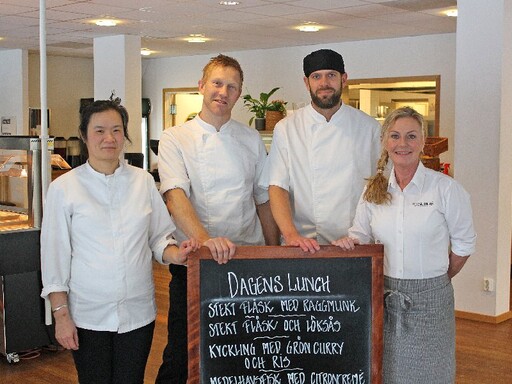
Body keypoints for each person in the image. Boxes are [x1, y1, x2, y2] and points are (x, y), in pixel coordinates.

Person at [40, 99, 199, 384]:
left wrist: (177, 254)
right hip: (88, 314)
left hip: (138, 313)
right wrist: (61, 313)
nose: (109, 138)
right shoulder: (64, 188)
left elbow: (160, 237)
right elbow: (54, 256)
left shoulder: (143, 181)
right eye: (99, 130)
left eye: (116, 130)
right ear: (84, 135)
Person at [156, 54, 280, 384]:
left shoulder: (251, 139)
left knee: (241, 351)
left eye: (232, 86)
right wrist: (206, 241)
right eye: (217, 83)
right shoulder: (174, 138)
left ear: (239, 94)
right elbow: (175, 197)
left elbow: (263, 199)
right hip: (194, 263)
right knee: (182, 353)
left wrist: (274, 251)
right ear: (201, 86)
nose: (223, 92)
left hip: (245, 262)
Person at [333, 106, 477, 383]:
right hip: (382, 296)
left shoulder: (445, 189)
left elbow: (464, 243)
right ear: (386, 142)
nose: (403, 144)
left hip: (432, 300)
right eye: (395, 136)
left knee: (432, 373)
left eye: (411, 136)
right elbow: (360, 234)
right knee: (387, 371)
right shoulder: (373, 189)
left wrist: (438, 280)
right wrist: (348, 242)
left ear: (423, 141)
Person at [261, 48, 381, 253]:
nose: (324, 83)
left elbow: (381, 186)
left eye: (331, 75)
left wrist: (365, 233)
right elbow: (277, 186)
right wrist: (291, 236)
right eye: (316, 76)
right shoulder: (288, 128)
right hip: (304, 244)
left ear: (344, 79)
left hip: (355, 242)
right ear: (307, 82)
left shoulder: (369, 127)